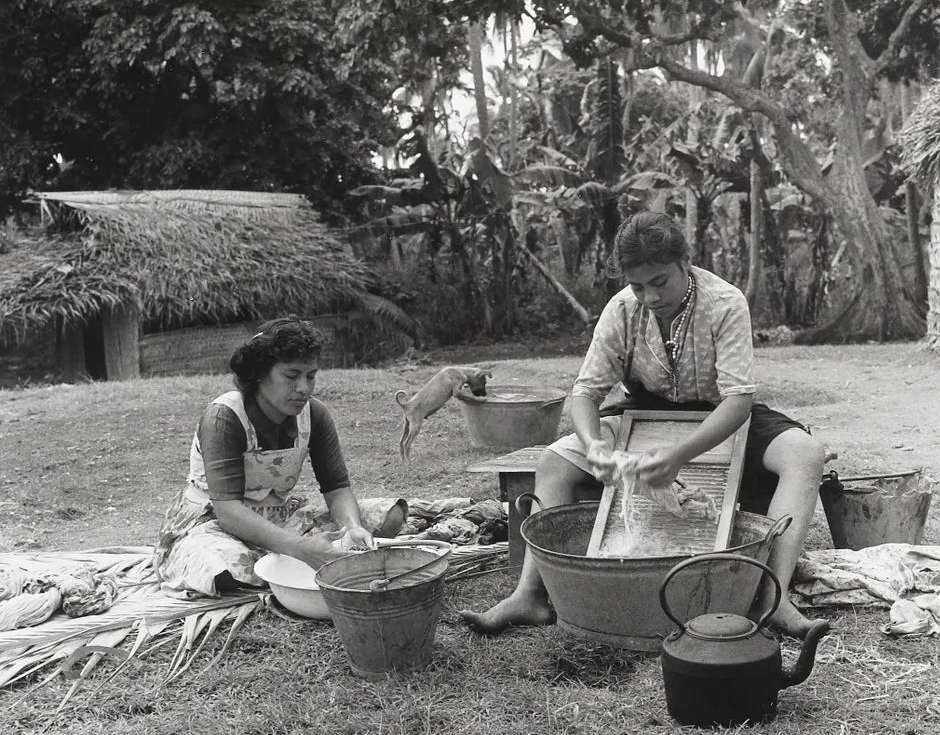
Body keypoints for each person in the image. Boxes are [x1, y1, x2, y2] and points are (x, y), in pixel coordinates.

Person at [460, 211, 828, 639]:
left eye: (660, 282)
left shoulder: (725, 303)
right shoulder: (621, 309)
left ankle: (773, 595)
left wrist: (676, 456)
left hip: (718, 412)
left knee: (805, 453)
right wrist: (593, 444)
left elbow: (737, 402)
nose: (650, 296)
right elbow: (585, 393)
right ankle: (530, 595)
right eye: (638, 286)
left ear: (684, 264)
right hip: (642, 410)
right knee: (553, 462)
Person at [154, 316, 404, 596]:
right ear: (260, 373)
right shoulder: (224, 417)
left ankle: (288, 560)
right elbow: (228, 511)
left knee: (388, 516)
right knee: (224, 570)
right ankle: (288, 560)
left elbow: (336, 488)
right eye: (291, 375)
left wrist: (351, 527)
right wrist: (298, 547)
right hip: (213, 523)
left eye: (311, 376)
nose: (304, 388)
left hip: (279, 517)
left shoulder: (315, 415)